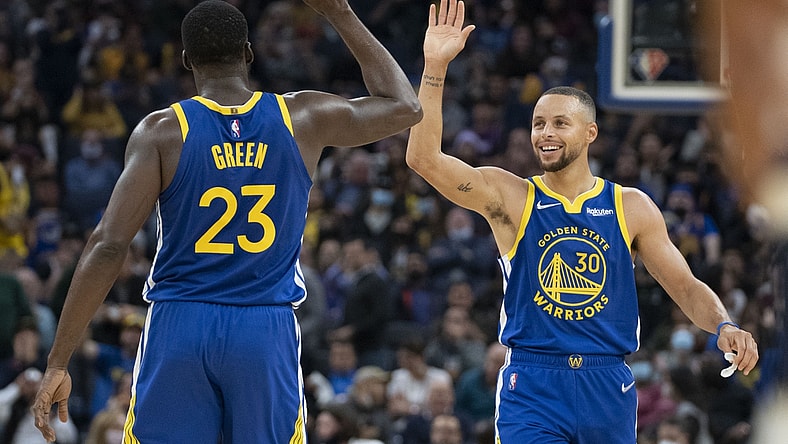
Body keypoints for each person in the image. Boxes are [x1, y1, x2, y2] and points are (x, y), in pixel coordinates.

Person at [31, 0, 422, 442]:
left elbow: (107, 245)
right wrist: (340, 13)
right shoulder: (302, 117)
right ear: (249, 54)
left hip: (180, 323)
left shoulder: (163, 130)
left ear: (186, 61)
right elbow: (404, 106)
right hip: (263, 326)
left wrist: (58, 361)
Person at [404, 1, 758, 442]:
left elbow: (685, 287)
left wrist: (724, 325)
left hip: (606, 382)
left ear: (590, 133)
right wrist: (434, 66)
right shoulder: (511, 196)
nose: (545, 133)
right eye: (537, 124)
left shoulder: (630, 206)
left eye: (559, 123)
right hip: (533, 383)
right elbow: (422, 159)